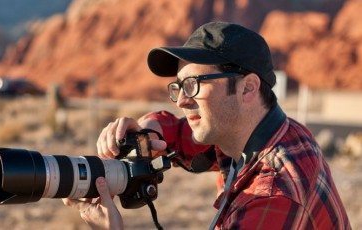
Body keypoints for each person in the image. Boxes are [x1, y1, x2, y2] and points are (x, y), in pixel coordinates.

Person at [63, 21, 351, 229]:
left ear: (248, 88)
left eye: (193, 85)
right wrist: (145, 133)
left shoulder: (275, 195)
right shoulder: (258, 132)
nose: (181, 101)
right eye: (177, 87)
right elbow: (178, 133)